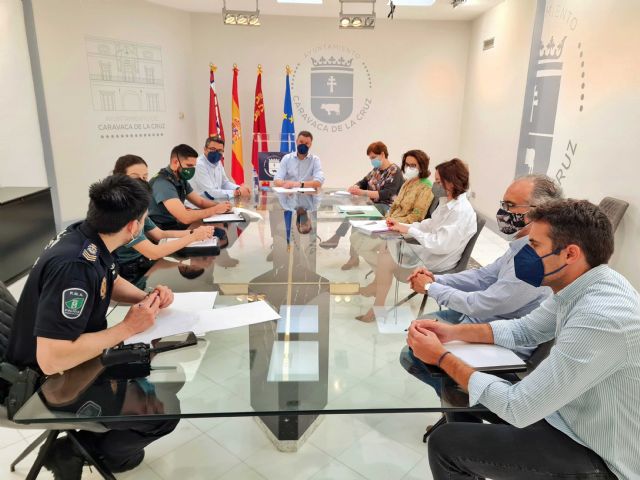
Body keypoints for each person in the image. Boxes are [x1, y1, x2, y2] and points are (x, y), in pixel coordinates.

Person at [407, 199, 639, 480]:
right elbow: (524, 330)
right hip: (565, 415)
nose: (525, 253)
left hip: (597, 452)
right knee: (455, 384)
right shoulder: (584, 285)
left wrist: (442, 357)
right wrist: (451, 333)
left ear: (570, 254)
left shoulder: (601, 318)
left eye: (535, 245)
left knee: (445, 445)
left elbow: (518, 407)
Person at [6, 175, 179, 478]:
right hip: (47, 379)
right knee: (163, 412)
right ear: (133, 227)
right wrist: (127, 328)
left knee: (164, 379)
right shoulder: (74, 267)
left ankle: (92, 441)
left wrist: (147, 298)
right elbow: (52, 359)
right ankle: (76, 451)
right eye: (143, 219)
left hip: (74, 357)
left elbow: (108, 278)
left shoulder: (86, 236)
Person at [407, 174, 562, 332]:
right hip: (479, 320)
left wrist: (430, 287)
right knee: (416, 329)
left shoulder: (535, 262)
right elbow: (483, 276)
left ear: (539, 212)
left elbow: (481, 304)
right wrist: (436, 279)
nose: (503, 212)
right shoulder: (521, 246)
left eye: (510, 205)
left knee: (415, 340)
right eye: (504, 204)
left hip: (493, 335)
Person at [355, 159, 476, 322]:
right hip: (432, 251)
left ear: (451, 183)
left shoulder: (460, 211)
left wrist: (410, 230)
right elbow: (430, 224)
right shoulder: (447, 202)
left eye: (438, 181)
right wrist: (403, 226)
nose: (435, 185)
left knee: (386, 257)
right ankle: (378, 300)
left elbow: (439, 244)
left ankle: (378, 305)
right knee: (386, 247)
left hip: (439, 261)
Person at [111, 155, 215, 281]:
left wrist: (196, 232)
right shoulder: (120, 209)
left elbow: (160, 234)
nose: (141, 182)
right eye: (135, 177)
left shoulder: (135, 204)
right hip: (128, 273)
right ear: (119, 178)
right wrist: (193, 237)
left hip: (144, 263)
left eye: (145, 177)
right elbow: (154, 252)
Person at [335, 149, 435, 264]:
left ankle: (386, 269)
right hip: (390, 222)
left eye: (413, 165)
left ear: (422, 166)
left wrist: (394, 223)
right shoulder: (408, 182)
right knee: (355, 238)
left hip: (401, 228)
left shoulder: (426, 187)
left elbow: (416, 217)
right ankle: (384, 269)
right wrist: (386, 219)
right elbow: (395, 205)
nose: (408, 168)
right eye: (407, 165)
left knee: (361, 244)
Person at [319, 141, 405, 249]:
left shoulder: (394, 171)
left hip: (387, 207)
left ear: (382, 154)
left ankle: (341, 241)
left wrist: (363, 192)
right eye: (370, 158)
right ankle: (342, 243)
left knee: (358, 215)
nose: (372, 161)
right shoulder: (377, 170)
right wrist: (356, 186)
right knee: (353, 213)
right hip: (373, 204)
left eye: (373, 157)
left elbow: (386, 194)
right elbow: (364, 181)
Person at [148, 144, 231, 230]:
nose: (192, 170)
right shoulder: (162, 183)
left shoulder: (179, 178)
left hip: (175, 224)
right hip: (162, 231)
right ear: (175, 162)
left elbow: (200, 202)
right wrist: (215, 209)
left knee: (215, 228)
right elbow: (185, 217)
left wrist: (223, 206)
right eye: (189, 165)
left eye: (193, 166)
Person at [188, 135, 251, 201]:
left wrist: (239, 188)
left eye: (220, 150)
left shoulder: (218, 162)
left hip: (214, 202)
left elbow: (224, 183)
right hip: (197, 205)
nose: (216, 153)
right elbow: (210, 192)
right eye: (212, 149)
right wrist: (237, 192)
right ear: (205, 149)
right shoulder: (199, 164)